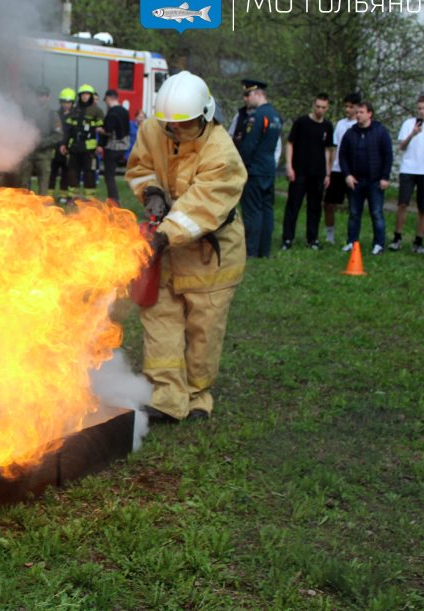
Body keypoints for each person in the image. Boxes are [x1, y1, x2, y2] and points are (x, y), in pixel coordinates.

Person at [125, 71, 246, 422]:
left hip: (211, 254)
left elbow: (203, 207)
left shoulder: (221, 151)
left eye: (185, 124)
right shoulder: (154, 129)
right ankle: (166, 397)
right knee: (159, 318)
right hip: (166, 247)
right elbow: (140, 167)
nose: (175, 131)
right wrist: (150, 192)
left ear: (205, 116)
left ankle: (197, 396)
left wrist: (163, 236)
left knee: (203, 328)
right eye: (169, 125)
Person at [281, 93, 335, 250]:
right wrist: (289, 166)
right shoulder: (301, 122)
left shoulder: (327, 126)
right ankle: (287, 238)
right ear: (313, 105)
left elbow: (327, 150)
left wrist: (327, 173)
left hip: (317, 173)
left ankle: (312, 238)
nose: (320, 110)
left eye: (323, 107)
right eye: (318, 106)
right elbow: (290, 143)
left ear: (327, 108)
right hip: (299, 171)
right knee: (293, 205)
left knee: (315, 207)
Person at [337, 102, 393, 255]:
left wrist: (385, 177)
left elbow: (388, 155)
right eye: (357, 112)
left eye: (361, 112)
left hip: (375, 181)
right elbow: (342, 156)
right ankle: (351, 242)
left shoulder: (380, 132)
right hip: (356, 181)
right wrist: (347, 175)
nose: (358, 115)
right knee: (354, 213)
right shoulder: (351, 133)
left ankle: (379, 244)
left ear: (370, 114)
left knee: (376, 213)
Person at [237, 81, 282, 257]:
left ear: (258, 94)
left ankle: (251, 250)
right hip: (269, 169)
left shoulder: (257, 117)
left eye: (248, 95)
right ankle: (265, 249)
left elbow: (249, 146)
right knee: (266, 209)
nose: (246, 99)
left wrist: (241, 166)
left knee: (253, 211)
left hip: (254, 169)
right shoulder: (275, 116)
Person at [390, 95, 424, 253]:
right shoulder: (408, 123)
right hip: (408, 169)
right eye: (419, 108)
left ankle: (419, 240)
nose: (422, 111)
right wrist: (412, 134)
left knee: (423, 207)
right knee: (403, 204)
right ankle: (397, 237)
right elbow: (401, 146)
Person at [325, 92, 361, 244]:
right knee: (328, 203)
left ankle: (352, 238)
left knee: (354, 206)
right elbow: (333, 148)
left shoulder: (359, 125)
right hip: (337, 169)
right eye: (345, 106)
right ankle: (330, 235)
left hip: (353, 171)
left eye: (350, 107)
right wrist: (329, 170)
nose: (347, 109)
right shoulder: (340, 124)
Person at [61, 84, 104, 200]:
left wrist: (100, 146)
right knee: (72, 172)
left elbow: (102, 131)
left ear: (91, 96)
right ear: (80, 96)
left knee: (89, 173)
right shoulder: (75, 110)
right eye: (83, 95)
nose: (85, 97)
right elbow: (68, 130)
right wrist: (64, 144)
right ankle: (72, 197)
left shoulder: (97, 111)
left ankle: (89, 198)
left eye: (87, 94)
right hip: (74, 147)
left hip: (89, 149)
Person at [22, 85, 62, 195]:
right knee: (24, 184)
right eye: (39, 95)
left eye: (44, 95)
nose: (41, 98)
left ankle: (43, 207)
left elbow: (58, 135)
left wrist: (42, 143)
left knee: (43, 185)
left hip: (44, 155)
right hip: (28, 153)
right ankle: (24, 206)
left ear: (48, 97)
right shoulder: (28, 112)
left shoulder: (52, 114)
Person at [99, 89, 130, 205]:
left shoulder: (112, 113)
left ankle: (114, 200)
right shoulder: (124, 111)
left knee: (109, 176)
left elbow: (108, 131)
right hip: (123, 147)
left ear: (108, 98)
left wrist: (99, 130)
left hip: (112, 148)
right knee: (112, 174)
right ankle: (114, 200)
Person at [48, 88, 76, 201]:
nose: (66, 105)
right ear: (60, 102)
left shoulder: (75, 116)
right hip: (55, 148)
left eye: (69, 102)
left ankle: (63, 195)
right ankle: (49, 194)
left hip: (67, 149)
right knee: (53, 172)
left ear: (72, 103)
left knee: (66, 173)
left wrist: (68, 147)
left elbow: (74, 133)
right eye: (64, 102)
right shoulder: (56, 114)